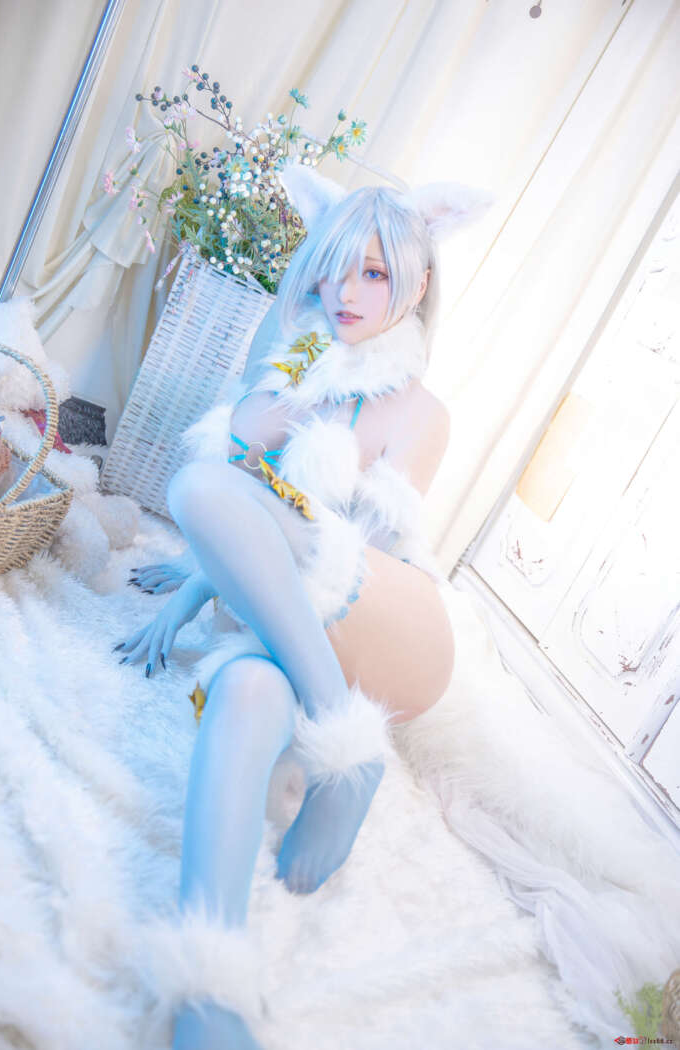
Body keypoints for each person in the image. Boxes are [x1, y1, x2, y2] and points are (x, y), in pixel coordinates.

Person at [115, 165, 680, 1050]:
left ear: (416, 285)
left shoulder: (420, 411)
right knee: (246, 690)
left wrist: (216, 560)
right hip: (298, 638)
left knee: (198, 491)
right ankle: (207, 993)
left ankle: (349, 744)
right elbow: (241, 498)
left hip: (392, 624)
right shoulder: (297, 364)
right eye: (334, 269)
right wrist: (192, 590)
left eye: (374, 273)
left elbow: (342, 552)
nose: (346, 293)